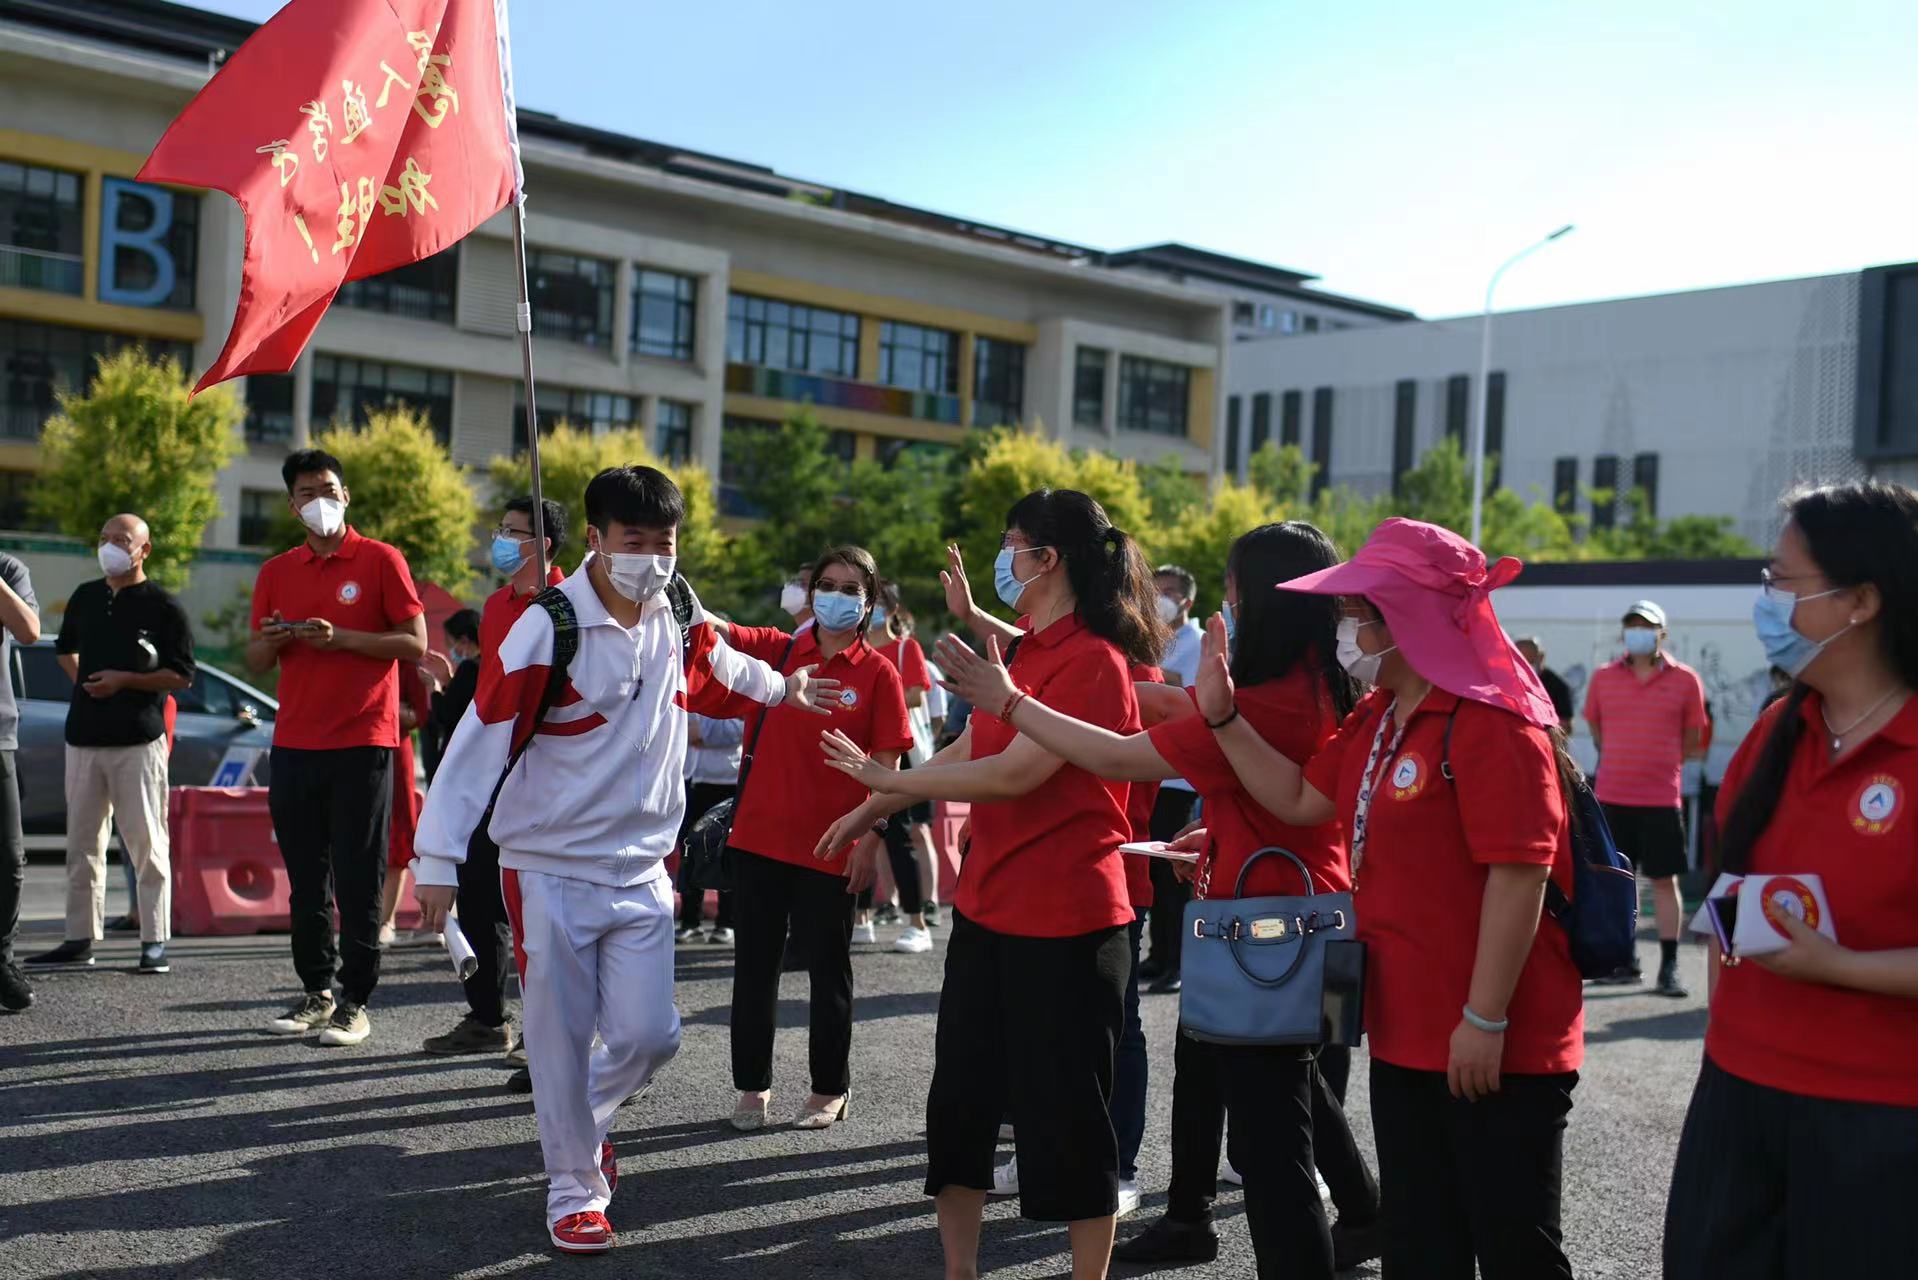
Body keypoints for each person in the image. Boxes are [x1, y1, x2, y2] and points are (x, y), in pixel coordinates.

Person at [411, 465, 839, 1254]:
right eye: (634, 542)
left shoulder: (676, 605)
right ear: (598, 540)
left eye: (665, 542)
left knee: (651, 1038)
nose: (652, 557)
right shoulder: (550, 625)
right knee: (557, 1042)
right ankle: (575, 1187)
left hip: (645, 866)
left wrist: (784, 689)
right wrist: (435, 856)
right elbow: (478, 739)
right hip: (547, 868)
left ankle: (581, 1124)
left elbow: (720, 664)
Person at [940, 522, 1382, 1277]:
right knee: (1283, 1090)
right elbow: (1275, 791)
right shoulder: (1321, 685)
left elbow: (1114, 751)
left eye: (1234, 595)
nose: (1225, 611)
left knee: (1275, 1145)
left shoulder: (1258, 705)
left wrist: (1012, 704)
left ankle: (1263, 1224)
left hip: (1263, 930)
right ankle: (1253, 1214)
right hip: (1320, 920)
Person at [1200, 517, 1583, 1280]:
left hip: (1494, 1041)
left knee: (1514, 1250)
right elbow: (1302, 799)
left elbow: (1520, 875)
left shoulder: (1492, 722)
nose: (1344, 630)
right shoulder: (1379, 716)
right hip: (1410, 1035)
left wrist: (1484, 1018)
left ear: (1407, 620)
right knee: (1421, 1247)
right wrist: (1221, 716)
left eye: (1358, 614)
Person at [818, 489, 1166, 1280]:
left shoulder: (1097, 662)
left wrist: (882, 775)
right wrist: (874, 802)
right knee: (962, 1108)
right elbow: (967, 746)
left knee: (1072, 1119)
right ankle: (959, 1271)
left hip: (1073, 923)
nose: (1006, 556)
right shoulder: (1031, 652)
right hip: (989, 912)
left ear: (1050, 559)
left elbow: (1015, 774)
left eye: (1014, 543)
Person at [1664, 482, 1918, 1279]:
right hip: (1737, 1093)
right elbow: (1729, 902)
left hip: (1878, 1119)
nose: (1765, 600)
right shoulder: (1779, 730)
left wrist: (1834, 968)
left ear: (1862, 601)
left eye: (1783, 581)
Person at [714, 546, 913, 1131]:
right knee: (754, 969)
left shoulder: (881, 673)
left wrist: (873, 836)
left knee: (828, 971)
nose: (835, 596)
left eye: (851, 589)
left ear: (870, 601)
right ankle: (753, 1085)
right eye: (826, 584)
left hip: (833, 844)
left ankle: (830, 1087)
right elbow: (715, 630)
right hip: (758, 838)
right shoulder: (777, 650)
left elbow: (889, 765)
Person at [247, 449, 427, 1047]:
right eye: (305, 492)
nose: (318, 500)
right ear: (292, 504)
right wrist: (274, 640)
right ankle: (316, 992)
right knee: (306, 878)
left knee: (359, 874)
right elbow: (253, 657)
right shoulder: (277, 570)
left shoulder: (380, 559)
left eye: (327, 488)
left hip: (362, 741)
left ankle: (357, 1000)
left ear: (345, 494)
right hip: (295, 743)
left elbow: (414, 642)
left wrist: (340, 637)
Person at [432, 498, 567, 1069]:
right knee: (481, 891)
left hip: (557, 775)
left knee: (545, 910)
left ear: (546, 545)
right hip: (498, 769)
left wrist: (551, 620)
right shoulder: (495, 606)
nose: (502, 541)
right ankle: (488, 1017)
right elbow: (492, 696)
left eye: (515, 533)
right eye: (502, 530)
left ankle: (561, 1034)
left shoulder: (574, 601)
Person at [28, 514, 191, 977]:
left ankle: (153, 940)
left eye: (121, 539)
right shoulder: (85, 597)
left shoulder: (163, 606)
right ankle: (79, 938)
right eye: (104, 538)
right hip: (83, 737)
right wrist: (87, 683)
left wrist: (125, 681)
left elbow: (181, 674)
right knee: (82, 844)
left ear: (145, 550)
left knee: (146, 843)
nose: (110, 547)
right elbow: (65, 650)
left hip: (138, 740)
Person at [1583, 599, 1707, 997]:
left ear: (1661, 633)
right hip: (1613, 794)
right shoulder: (1603, 678)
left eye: (1646, 625)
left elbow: (1692, 739)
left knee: (1664, 880)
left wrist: (1659, 762)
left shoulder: (1686, 680)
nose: (1638, 632)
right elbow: (1597, 727)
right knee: (1618, 881)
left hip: (1660, 798)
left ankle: (1669, 966)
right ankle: (1623, 960)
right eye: (1632, 625)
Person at [1140, 564, 1203, 992]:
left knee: (1173, 876)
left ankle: (1176, 962)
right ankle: (1158, 954)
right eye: (1156, 589)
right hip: (1149, 767)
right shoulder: (1154, 638)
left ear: (1187, 600)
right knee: (1154, 874)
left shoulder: (1197, 642)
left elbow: (1193, 698)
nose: (1160, 598)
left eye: (1170, 591)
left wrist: (1154, 680)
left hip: (1179, 777)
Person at [869, 580, 933, 953]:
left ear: (892, 610)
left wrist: (877, 697)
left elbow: (916, 694)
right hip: (860, 750)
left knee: (898, 834)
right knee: (858, 834)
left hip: (898, 752)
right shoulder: (854, 648)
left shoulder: (906, 648)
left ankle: (916, 921)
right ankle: (861, 918)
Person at [0, 550, 40, 1012]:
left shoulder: (9, 570)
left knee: (8, 856)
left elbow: (29, 631)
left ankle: (2, 960)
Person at [378, 657, 433, 947]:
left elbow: (421, 715)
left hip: (395, 753)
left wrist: (390, 713)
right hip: (354, 754)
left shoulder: (406, 664)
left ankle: (386, 920)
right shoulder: (348, 652)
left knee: (398, 836)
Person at [675, 713, 742, 943]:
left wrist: (702, 732)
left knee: (727, 853)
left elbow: (742, 726)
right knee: (689, 851)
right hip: (689, 778)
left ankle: (727, 922)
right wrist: (693, 731)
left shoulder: (739, 677)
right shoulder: (683, 677)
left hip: (726, 780)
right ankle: (690, 921)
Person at [422, 608, 482, 782]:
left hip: (461, 756)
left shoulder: (469, 668)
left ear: (463, 640)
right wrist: (449, 680)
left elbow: (446, 714)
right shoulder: (488, 664)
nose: (450, 649)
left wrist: (433, 688)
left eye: (450, 642)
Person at [1515, 635, 1575, 725]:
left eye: (1529, 662)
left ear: (1541, 657)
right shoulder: (1504, 683)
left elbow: (1566, 723)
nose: (1525, 668)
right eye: (1520, 662)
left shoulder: (1557, 686)